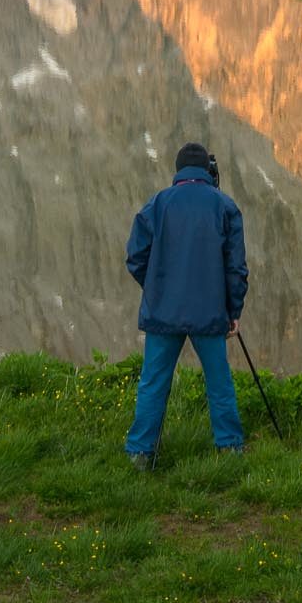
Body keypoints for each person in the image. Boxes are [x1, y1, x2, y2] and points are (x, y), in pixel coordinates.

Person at [121, 140, 248, 465]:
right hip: (210, 313)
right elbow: (236, 268)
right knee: (219, 382)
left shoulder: (157, 204)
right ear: (208, 171)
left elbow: (135, 256)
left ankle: (140, 454)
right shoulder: (225, 206)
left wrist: (157, 288)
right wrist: (233, 311)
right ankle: (230, 449)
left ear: (178, 171)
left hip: (163, 312)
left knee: (153, 381)